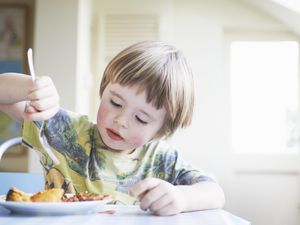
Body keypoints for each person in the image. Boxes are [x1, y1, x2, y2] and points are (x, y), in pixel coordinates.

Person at [0, 41, 225, 216]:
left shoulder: (162, 159)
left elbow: (215, 193)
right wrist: (31, 88)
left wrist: (182, 198)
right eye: (115, 103)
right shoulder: (65, 131)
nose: (121, 120)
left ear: (161, 130)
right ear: (103, 89)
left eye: (141, 118)